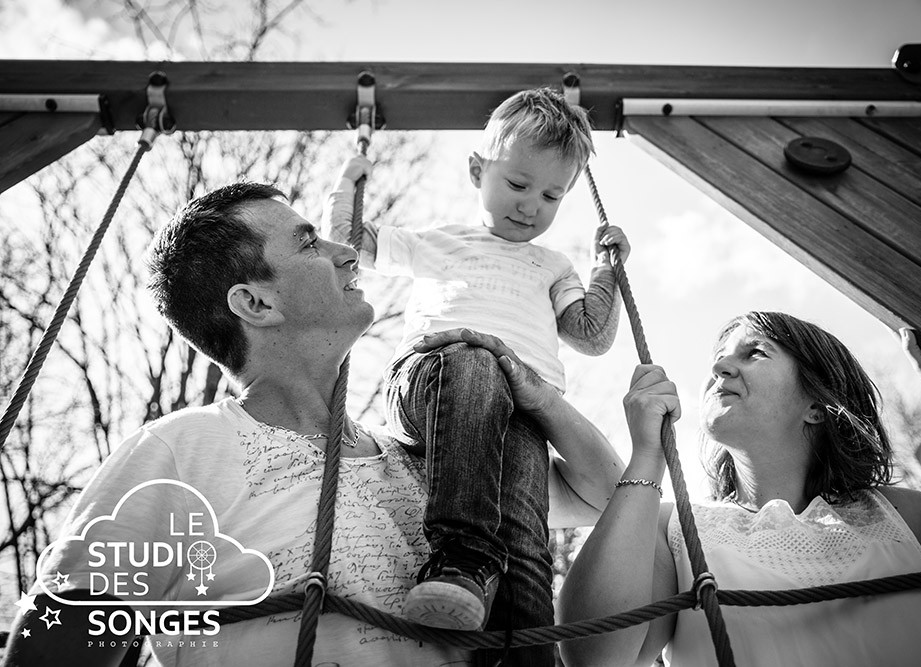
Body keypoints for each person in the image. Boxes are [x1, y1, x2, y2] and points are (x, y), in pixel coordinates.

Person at [1, 183, 624, 667]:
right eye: (307, 243)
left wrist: (539, 399)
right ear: (255, 303)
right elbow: (60, 640)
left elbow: (605, 497)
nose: (345, 251)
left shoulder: (433, 459)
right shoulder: (182, 452)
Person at [325, 87, 630, 663]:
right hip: (437, 382)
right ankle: (462, 559)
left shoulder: (552, 265)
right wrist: (349, 186)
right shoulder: (440, 242)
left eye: (551, 195)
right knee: (475, 358)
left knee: (522, 530)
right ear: (477, 170)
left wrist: (605, 270)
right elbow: (347, 246)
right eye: (517, 184)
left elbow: (590, 335)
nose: (531, 205)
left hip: (521, 412)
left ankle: (525, 647)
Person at [557, 311, 921, 667]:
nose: (718, 367)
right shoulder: (673, 529)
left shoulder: (895, 515)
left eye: (755, 352)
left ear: (815, 406)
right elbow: (596, 655)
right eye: (722, 356)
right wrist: (647, 455)